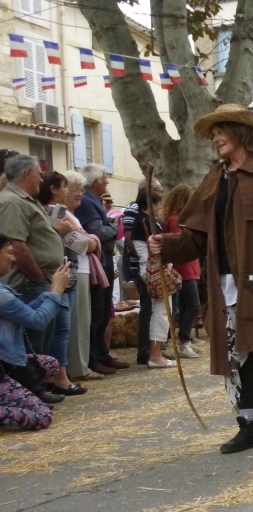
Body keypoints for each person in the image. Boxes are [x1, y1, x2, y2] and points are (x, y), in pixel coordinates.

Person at [150, 104, 253, 454]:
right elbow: (196, 237)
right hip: (223, 282)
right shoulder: (215, 177)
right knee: (235, 351)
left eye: (220, 130)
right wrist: (164, 245)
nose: (215, 138)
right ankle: (251, 424)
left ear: (240, 132)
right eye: (212, 133)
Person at [0, 235, 72, 429]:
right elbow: (37, 321)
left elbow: (28, 314)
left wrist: (50, 292)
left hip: (7, 363)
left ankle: (10, 397)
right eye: (9, 253)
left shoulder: (3, 287)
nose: (13, 259)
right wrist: (56, 291)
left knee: (50, 364)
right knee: (42, 416)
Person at [75, 164, 129, 375]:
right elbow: (98, 232)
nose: (107, 182)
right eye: (104, 178)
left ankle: (102, 354)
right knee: (97, 313)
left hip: (102, 261)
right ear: (95, 181)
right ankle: (94, 357)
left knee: (103, 311)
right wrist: (114, 227)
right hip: (97, 262)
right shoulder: (87, 202)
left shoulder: (93, 200)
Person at [37, 172, 87, 396]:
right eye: (65, 187)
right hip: (55, 275)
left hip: (68, 273)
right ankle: (55, 377)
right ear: (54, 188)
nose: (68, 192)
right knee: (54, 329)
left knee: (62, 329)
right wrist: (64, 231)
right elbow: (83, 242)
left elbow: (85, 241)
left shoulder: (62, 213)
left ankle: (59, 377)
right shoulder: (43, 212)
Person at [63, 171, 103, 382]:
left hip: (83, 269)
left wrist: (90, 240)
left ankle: (80, 365)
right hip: (75, 270)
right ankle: (78, 367)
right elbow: (81, 244)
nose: (79, 193)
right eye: (74, 189)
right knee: (78, 321)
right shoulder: (61, 214)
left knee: (83, 320)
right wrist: (92, 239)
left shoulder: (73, 215)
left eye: (80, 189)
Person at [132, 187, 177, 369]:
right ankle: (155, 354)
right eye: (158, 203)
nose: (161, 207)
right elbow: (150, 251)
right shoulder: (143, 222)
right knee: (160, 312)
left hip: (155, 268)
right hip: (153, 270)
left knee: (162, 312)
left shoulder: (149, 221)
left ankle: (155, 352)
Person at [124, 178, 164, 365]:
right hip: (147, 269)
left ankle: (154, 350)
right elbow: (132, 242)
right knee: (150, 310)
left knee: (154, 309)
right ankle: (147, 351)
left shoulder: (150, 220)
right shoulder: (139, 218)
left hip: (149, 268)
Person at [163, 184, 203, 360]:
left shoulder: (182, 219)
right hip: (183, 268)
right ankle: (184, 341)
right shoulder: (175, 220)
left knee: (189, 305)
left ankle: (185, 339)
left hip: (191, 267)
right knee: (193, 304)